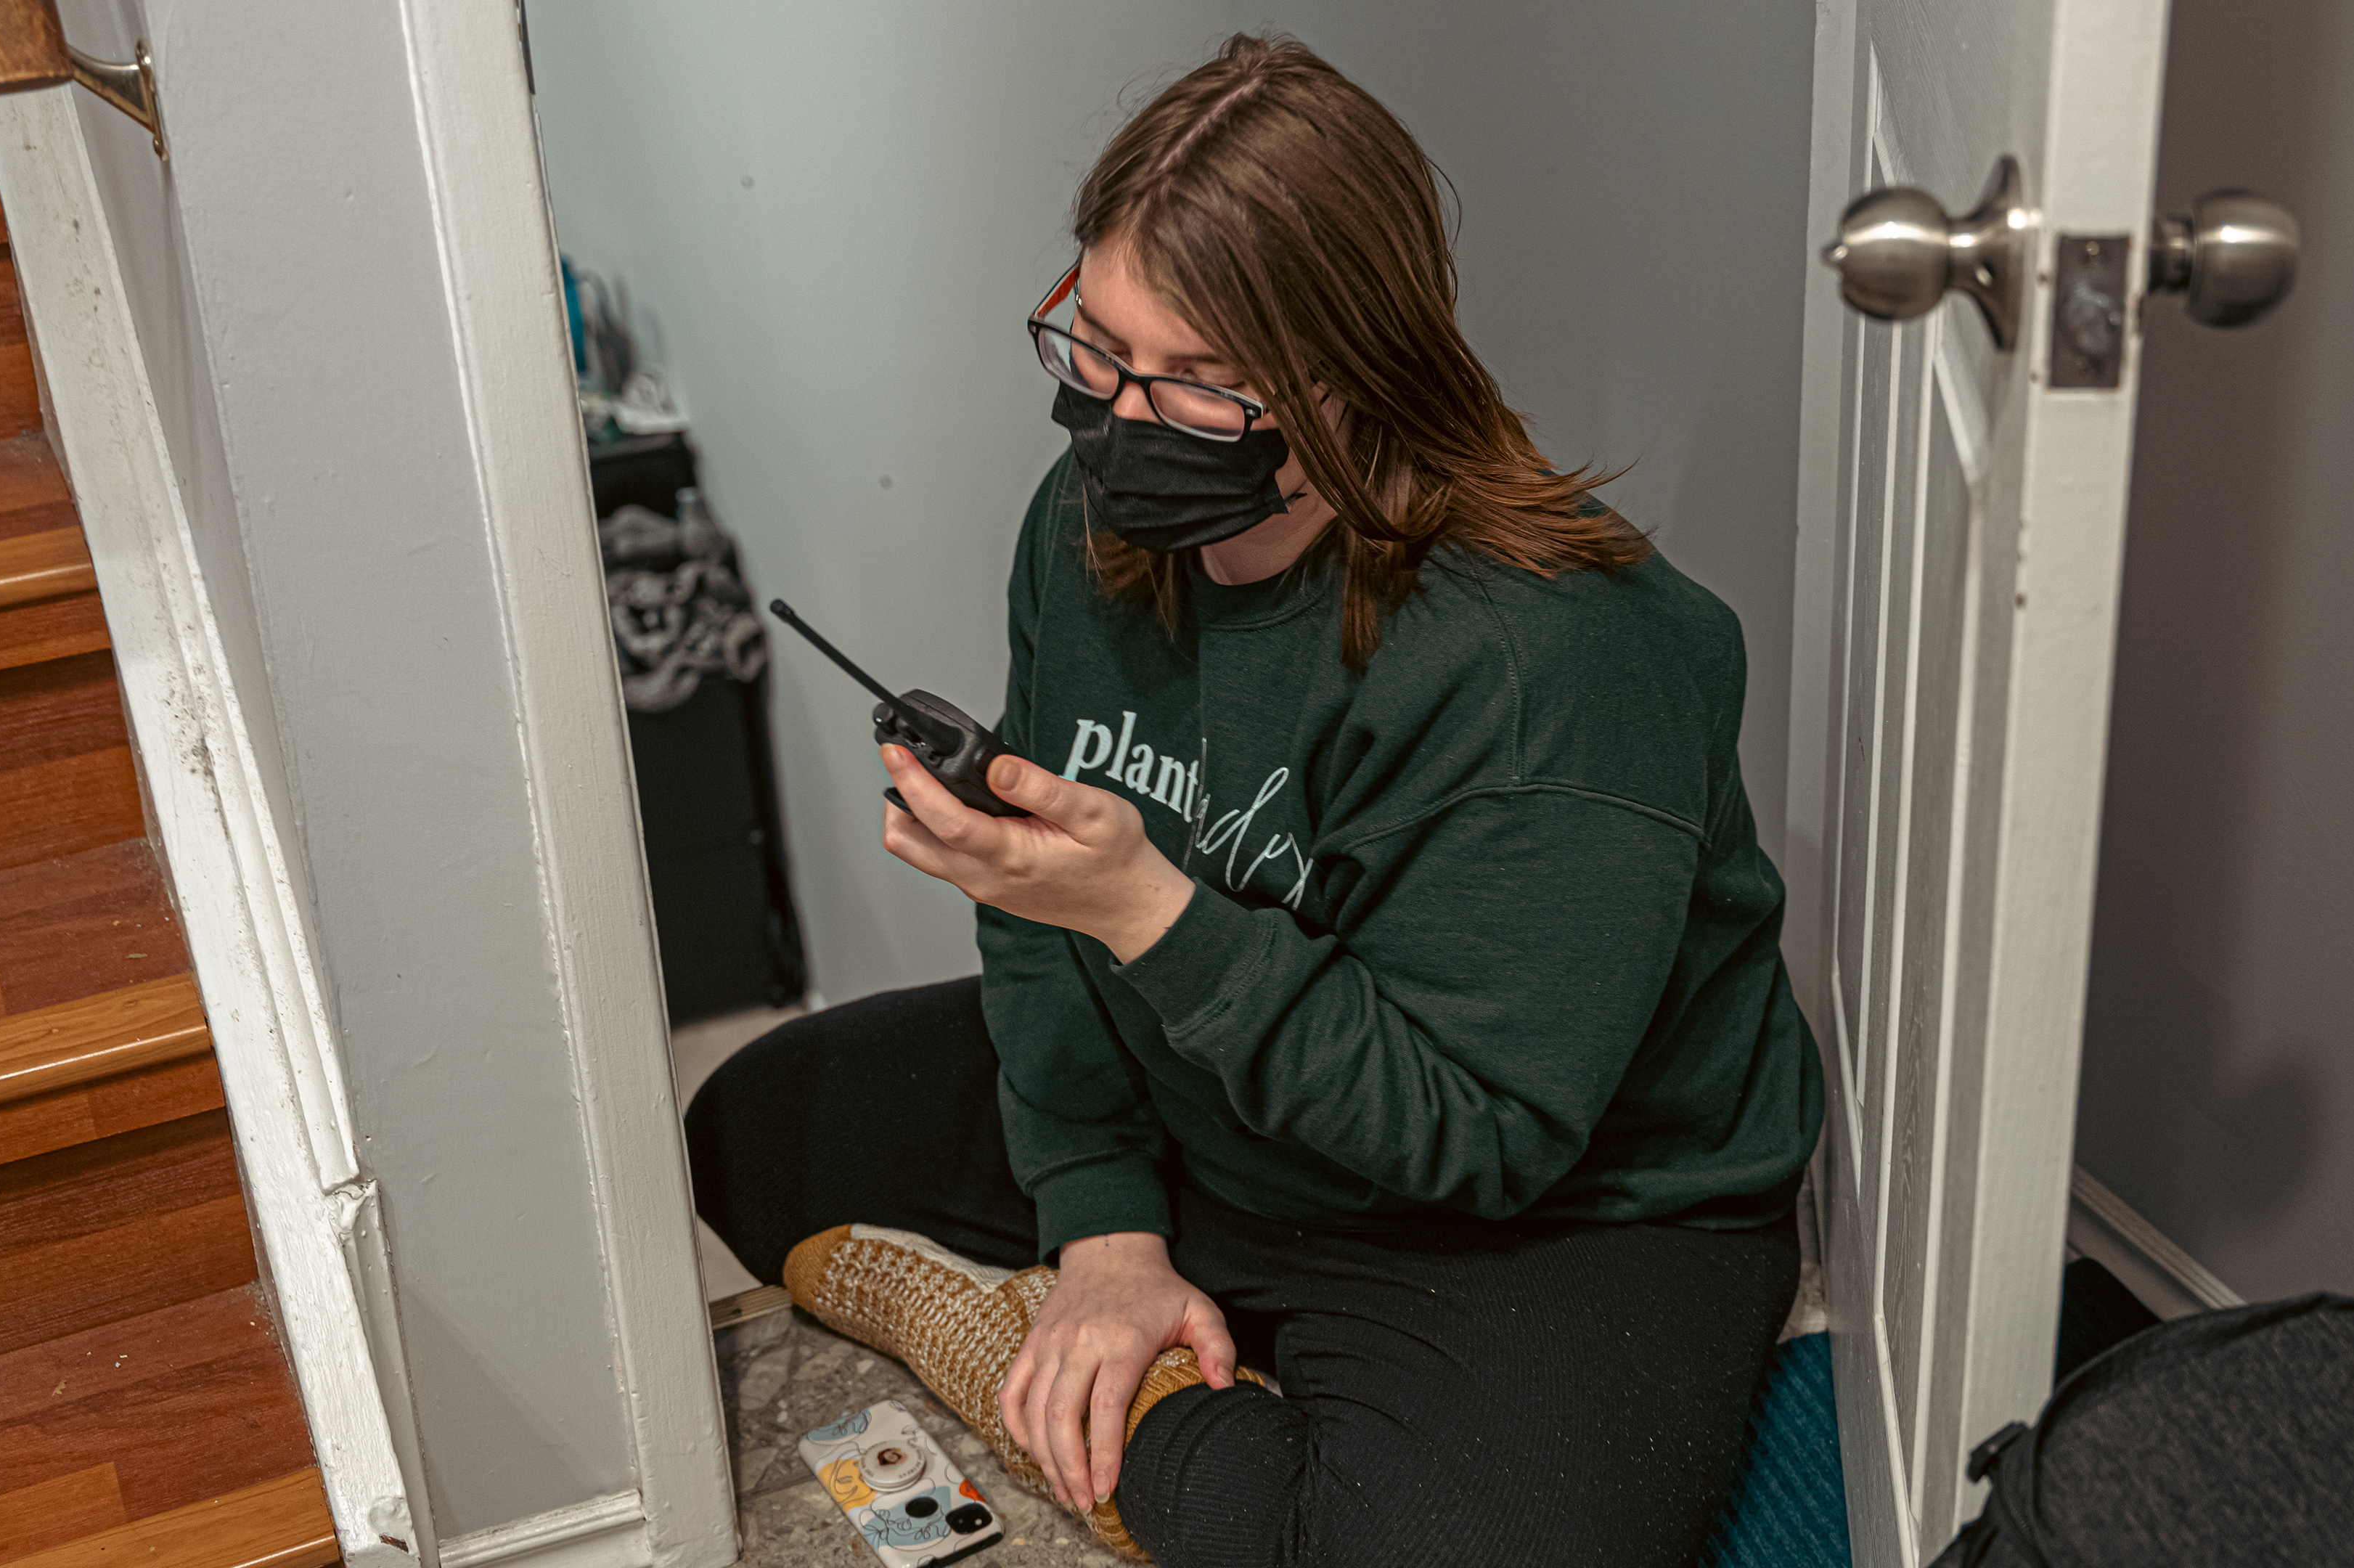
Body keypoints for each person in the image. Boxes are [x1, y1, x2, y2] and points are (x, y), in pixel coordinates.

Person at [685, 33, 1823, 1568]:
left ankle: (1108, 1400)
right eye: (1096, 349)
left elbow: (1477, 1135)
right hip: (1208, 1103)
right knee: (753, 1128)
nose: (1120, 421)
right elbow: (1039, 912)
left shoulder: (1563, 663)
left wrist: (1147, 911)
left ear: (1360, 379)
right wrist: (1104, 1228)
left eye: (1199, 386)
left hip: (1533, 1203)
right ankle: (1125, 1338)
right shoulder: (1090, 527)